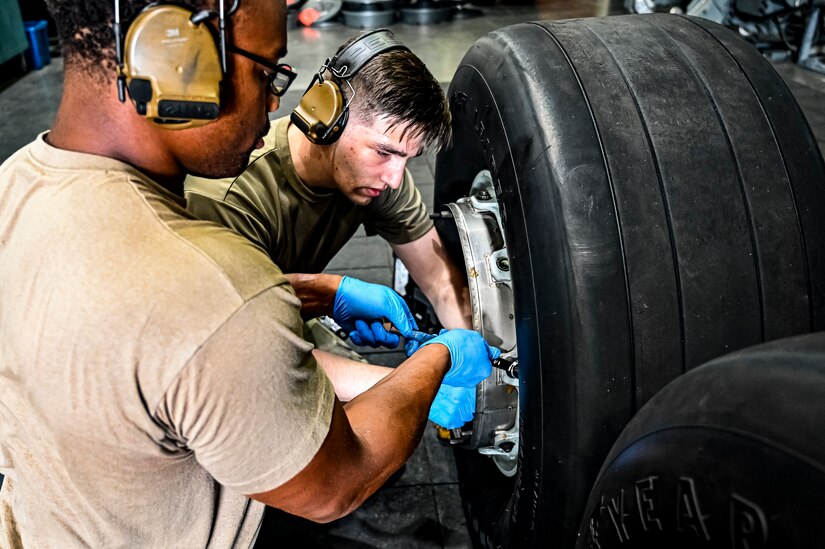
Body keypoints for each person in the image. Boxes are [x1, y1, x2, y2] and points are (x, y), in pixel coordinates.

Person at [0, 0, 498, 546]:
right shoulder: (214, 270)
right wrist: (435, 363)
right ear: (172, 59)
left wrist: (323, 292)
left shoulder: (16, 184)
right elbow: (338, 479)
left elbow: (160, 338)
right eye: (266, 70)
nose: (278, 101)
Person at [185, 30, 473, 351]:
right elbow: (237, 334)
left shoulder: (380, 177)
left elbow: (438, 281)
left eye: (407, 158)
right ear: (327, 115)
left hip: (276, 313)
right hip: (215, 342)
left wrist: (468, 352)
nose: (395, 178)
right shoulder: (231, 196)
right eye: (384, 152)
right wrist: (423, 377)